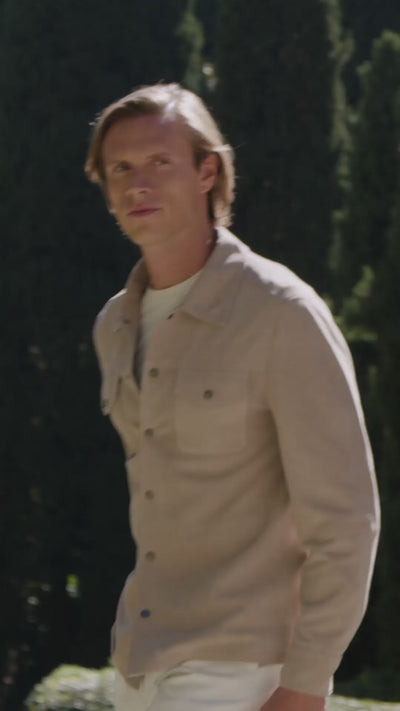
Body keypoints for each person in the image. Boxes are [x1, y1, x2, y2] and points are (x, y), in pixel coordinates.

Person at [85, 83, 380, 711]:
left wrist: (306, 683)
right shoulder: (114, 325)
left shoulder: (281, 312)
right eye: (120, 168)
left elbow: (347, 518)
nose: (138, 184)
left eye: (160, 162)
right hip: (140, 662)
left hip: (242, 669)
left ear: (207, 172)